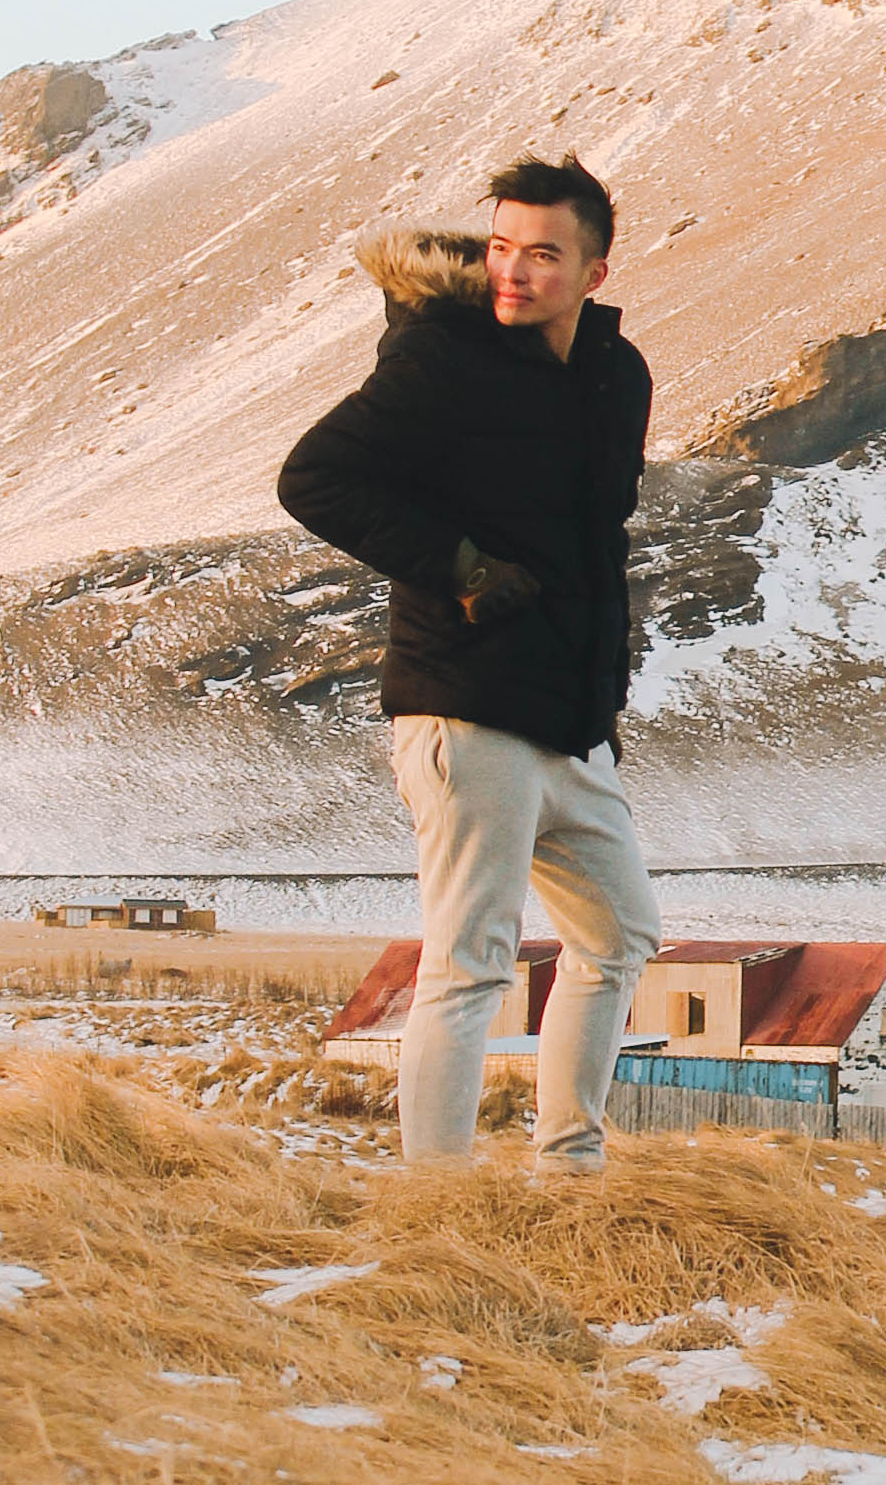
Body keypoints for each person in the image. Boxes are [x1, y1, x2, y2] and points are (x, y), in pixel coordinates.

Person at [278, 157, 660, 1172]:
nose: (513, 272)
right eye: (500, 247)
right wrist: (463, 570)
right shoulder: (444, 359)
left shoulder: (616, 374)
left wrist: (599, 696)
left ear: (593, 270)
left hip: (568, 720)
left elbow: (596, 546)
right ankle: (436, 1202)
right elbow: (314, 476)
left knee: (619, 934)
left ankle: (568, 1168)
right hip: (465, 703)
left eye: (543, 254)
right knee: (471, 964)